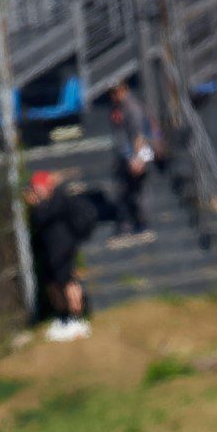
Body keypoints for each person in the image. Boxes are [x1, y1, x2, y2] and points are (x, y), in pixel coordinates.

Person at [26, 171, 99, 341]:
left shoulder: (57, 200)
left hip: (62, 249)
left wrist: (37, 204)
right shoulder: (43, 205)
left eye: (37, 188)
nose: (35, 191)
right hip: (49, 251)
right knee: (53, 286)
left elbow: (44, 215)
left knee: (68, 283)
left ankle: (76, 319)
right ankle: (63, 318)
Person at [107, 81, 159, 245]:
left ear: (123, 90)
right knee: (125, 190)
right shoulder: (117, 108)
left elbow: (140, 135)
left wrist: (137, 158)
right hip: (127, 157)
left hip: (138, 156)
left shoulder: (133, 107)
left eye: (116, 92)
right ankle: (128, 223)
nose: (113, 96)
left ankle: (142, 224)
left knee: (140, 191)